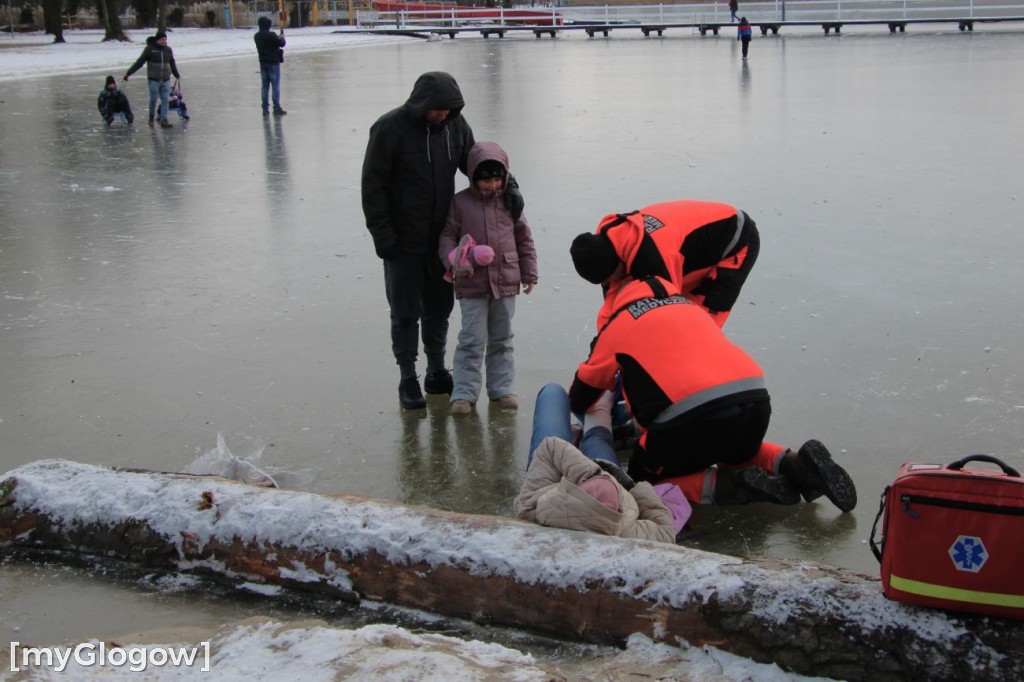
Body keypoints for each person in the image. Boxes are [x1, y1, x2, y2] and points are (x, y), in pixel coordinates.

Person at [567, 274, 857, 512]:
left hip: (693, 419)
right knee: (734, 449)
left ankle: (734, 485)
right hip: (754, 401)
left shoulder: (619, 323)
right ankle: (795, 462)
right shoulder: (692, 308)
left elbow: (582, 396)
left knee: (645, 482)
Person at [362, 72, 477, 410]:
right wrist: (382, 235)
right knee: (405, 312)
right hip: (402, 242)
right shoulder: (389, 129)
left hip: (442, 241)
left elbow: (477, 163)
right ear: (423, 104)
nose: (444, 115)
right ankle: (408, 377)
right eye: (439, 110)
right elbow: (373, 186)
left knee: (439, 309)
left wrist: (507, 186)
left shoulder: (455, 126)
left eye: (449, 110)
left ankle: (437, 371)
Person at [438, 142, 538, 415]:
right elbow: (447, 236)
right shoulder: (460, 203)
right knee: (471, 339)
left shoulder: (511, 201)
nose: (492, 185)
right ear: (472, 177)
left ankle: (502, 389)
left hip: (506, 280)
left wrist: (529, 273)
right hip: (471, 282)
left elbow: (524, 238)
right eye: (486, 180)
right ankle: (464, 394)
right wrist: (455, 257)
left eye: (497, 179)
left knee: (502, 338)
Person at [515, 385, 680, 543]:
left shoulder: (536, 508)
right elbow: (666, 533)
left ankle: (602, 409)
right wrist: (626, 484)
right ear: (618, 509)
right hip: (593, 472)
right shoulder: (624, 530)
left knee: (552, 391)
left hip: (557, 479)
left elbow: (551, 447)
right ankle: (604, 410)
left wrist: (596, 474)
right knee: (597, 438)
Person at [570, 200, 759, 329]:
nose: (606, 285)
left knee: (696, 326)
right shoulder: (606, 243)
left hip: (735, 241)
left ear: (617, 264)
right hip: (686, 250)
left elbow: (667, 317)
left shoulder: (655, 260)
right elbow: (614, 306)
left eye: (606, 279)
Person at [124, 31, 180, 128]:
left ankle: (164, 119)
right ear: (157, 40)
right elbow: (140, 62)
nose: (164, 41)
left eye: (165, 39)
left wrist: (176, 74)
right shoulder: (150, 49)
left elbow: (172, 62)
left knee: (165, 99)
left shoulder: (168, 50)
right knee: (153, 99)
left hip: (165, 79)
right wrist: (129, 73)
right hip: (154, 79)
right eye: (162, 39)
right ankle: (151, 116)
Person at [254, 16, 287, 117]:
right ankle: (276, 108)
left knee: (264, 86)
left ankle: (265, 109)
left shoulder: (257, 36)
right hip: (273, 63)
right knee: (275, 86)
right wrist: (281, 37)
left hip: (263, 63)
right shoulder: (272, 35)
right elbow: (282, 44)